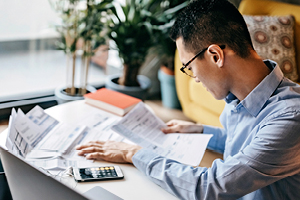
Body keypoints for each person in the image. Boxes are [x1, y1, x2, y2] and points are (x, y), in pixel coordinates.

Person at [76, 0, 300, 199]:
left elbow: (210, 187)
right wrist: (198, 130)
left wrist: (133, 153)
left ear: (215, 55)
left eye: (190, 67)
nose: (195, 79)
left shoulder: (290, 119)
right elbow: (244, 141)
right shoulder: (243, 96)